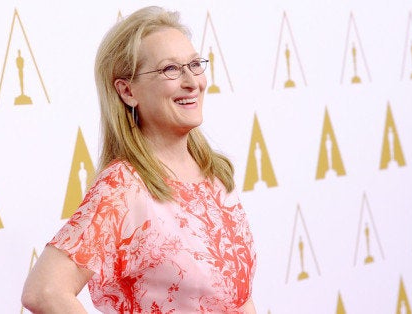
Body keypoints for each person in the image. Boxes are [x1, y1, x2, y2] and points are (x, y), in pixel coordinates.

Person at [21, 6, 256, 313]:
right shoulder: (123, 187)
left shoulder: (213, 173)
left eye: (195, 64)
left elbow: (237, 298)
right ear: (128, 91)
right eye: (170, 69)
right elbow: (44, 290)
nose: (192, 82)